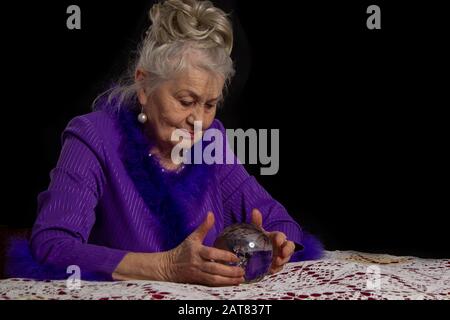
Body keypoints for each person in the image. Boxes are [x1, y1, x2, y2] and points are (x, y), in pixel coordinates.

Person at [18, 0, 323, 286]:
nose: (199, 120)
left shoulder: (211, 141)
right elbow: (52, 246)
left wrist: (277, 243)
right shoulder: (93, 138)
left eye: (209, 104)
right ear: (144, 85)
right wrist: (165, 267)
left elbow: (281, 222)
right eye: (186, 101)